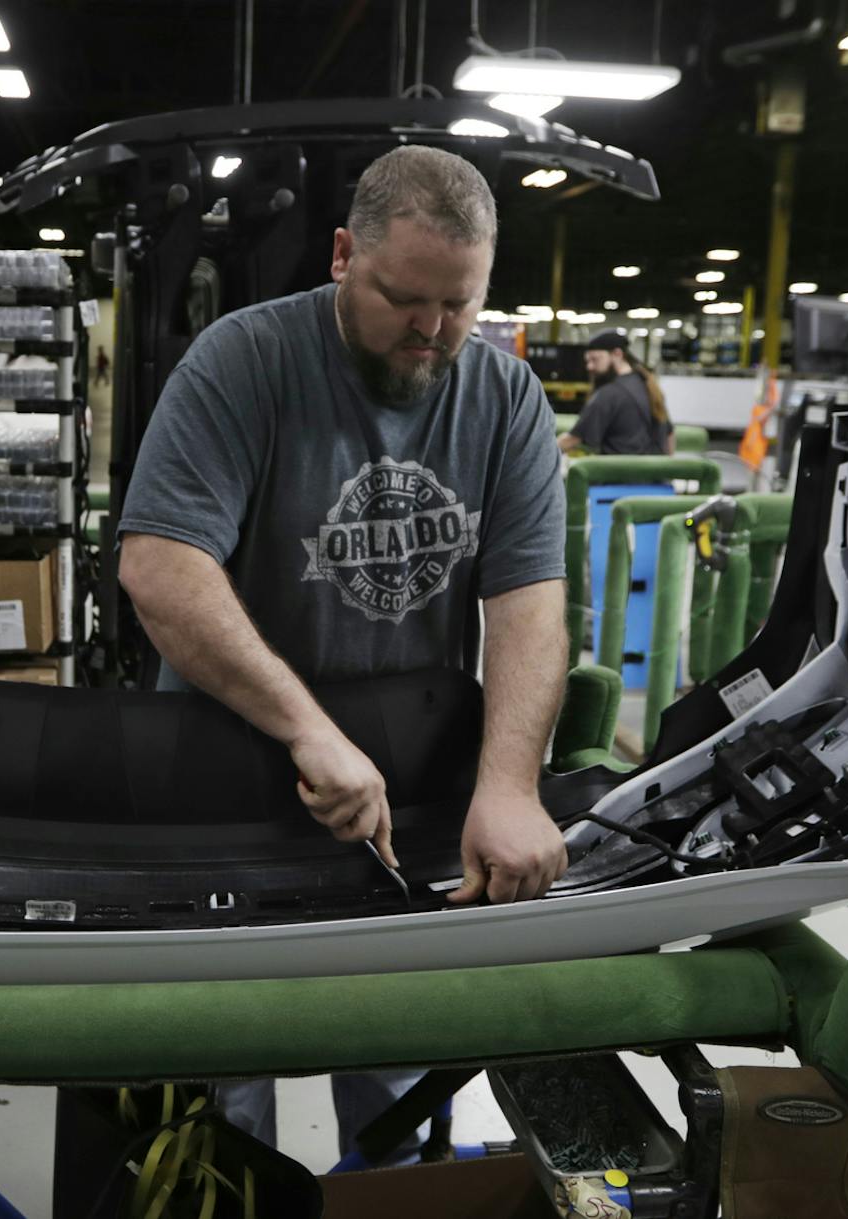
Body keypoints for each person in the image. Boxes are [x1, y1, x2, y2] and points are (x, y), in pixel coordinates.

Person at [114, 145, 571, 1162]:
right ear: (339, 256)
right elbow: (160, 566)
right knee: (223, 1098)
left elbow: (530, 603)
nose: (432, 331)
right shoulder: (243, 362)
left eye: (459, 305)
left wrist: (507, 785)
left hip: (402, 795)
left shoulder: (505, 400)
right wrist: (305, 729)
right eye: (405, 298)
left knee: (397, 1073)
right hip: (230, 770)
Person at [559, 331, 675, 455]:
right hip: (655, 472)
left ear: (617, 354)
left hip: (619, 472)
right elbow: (670, 435)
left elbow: (573, 439)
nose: (589, 367)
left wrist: (543, 451)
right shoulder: (649, 385)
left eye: (595, 359)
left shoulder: (608, 394)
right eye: (588, 361)